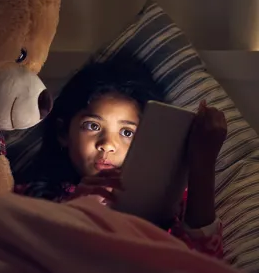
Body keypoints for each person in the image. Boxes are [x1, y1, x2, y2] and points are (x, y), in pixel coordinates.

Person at [14, 57, 228, 259]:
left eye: (127, 132)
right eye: (92, 126)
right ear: (63, 133)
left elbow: (202, 262)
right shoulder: (31, 197)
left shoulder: (167, 202)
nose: (107, 144)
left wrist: (204, 161)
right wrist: (74, 211)